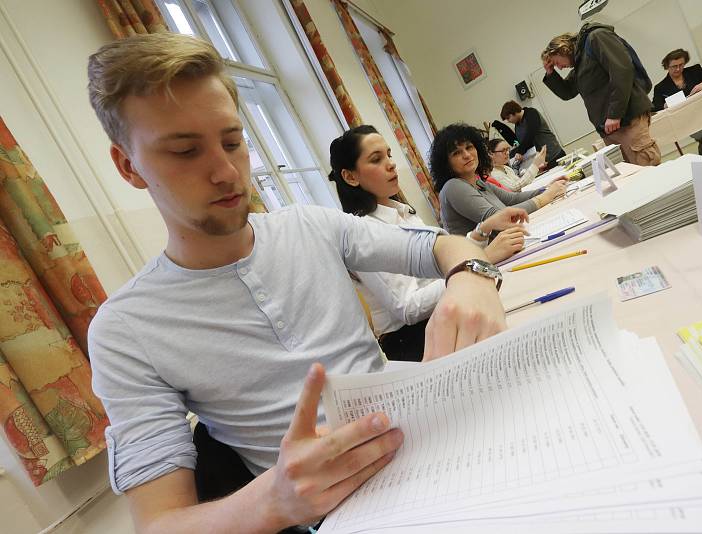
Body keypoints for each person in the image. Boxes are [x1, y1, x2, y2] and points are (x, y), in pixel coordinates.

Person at [86, 33, 507, 533]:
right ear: (128, 165)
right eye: (184, 151)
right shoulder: (125, 331)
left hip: (440, 444)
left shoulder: (309, 226)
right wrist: (274, 500)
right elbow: (159, 524)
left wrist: (472, 276)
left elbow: (437, 246)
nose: (226, 172)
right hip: (355, 517)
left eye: (232, 141)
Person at [330, 125, 530, 362]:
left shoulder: (402, 212)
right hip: (415, 342)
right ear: (350, 176)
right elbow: (408, 308)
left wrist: (482, 230)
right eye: (376, 159)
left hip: (445, 312)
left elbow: (439, 258)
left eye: (389, 155)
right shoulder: (362, 235)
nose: (391, 164)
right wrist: (482, 259)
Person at [541, 23, 661, 166]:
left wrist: (614, 114)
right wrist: (550, 73)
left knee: (647, 166)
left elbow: (622, 71)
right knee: (633, 174)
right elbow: (567, 92)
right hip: (612, 127)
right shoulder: (580, 62)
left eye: (556, 63)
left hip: (626, 120)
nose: (559, 67)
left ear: (562, 49)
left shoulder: (596, 38)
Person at [430, 123, 567, 237]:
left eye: (469, 147)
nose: (466, 155)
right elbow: (501, 217)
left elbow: (514, 199)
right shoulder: (453, 187)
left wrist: (548, 188)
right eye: (456, 153)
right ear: (446, 163)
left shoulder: (477, 182)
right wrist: (547, 196)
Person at [652, 48, 702, 156]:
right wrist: (664, 105)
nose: (678, 69)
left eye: (681, 65)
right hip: (686, 119)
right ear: (667, 66)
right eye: (674, 66)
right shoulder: (660, 87)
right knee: (689, 127)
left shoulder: (695, 70)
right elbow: (654, 106)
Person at [499, 101, 565, 169]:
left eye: (508, 118)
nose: (508, 121)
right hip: (542, 161)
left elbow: (531, 133)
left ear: (514, 112)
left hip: (553, 154)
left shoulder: (531, 113)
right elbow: (523, 142)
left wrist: (520, 151)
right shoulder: (517, 125)